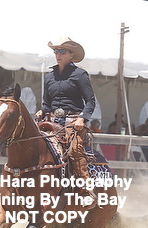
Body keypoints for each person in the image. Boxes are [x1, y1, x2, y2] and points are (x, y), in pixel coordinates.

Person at [34, 36, 97, 207]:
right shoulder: (49, 77)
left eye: (62, 51)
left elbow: (90, 101)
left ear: (71, 55)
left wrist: (82, 118)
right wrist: (42, 111)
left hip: (73, 121)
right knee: (32, 144)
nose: (58, 54)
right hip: (52, 121)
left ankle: (87, 190)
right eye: (56, 51)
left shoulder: (80, 75)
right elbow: (46, 103)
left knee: (75, 149)